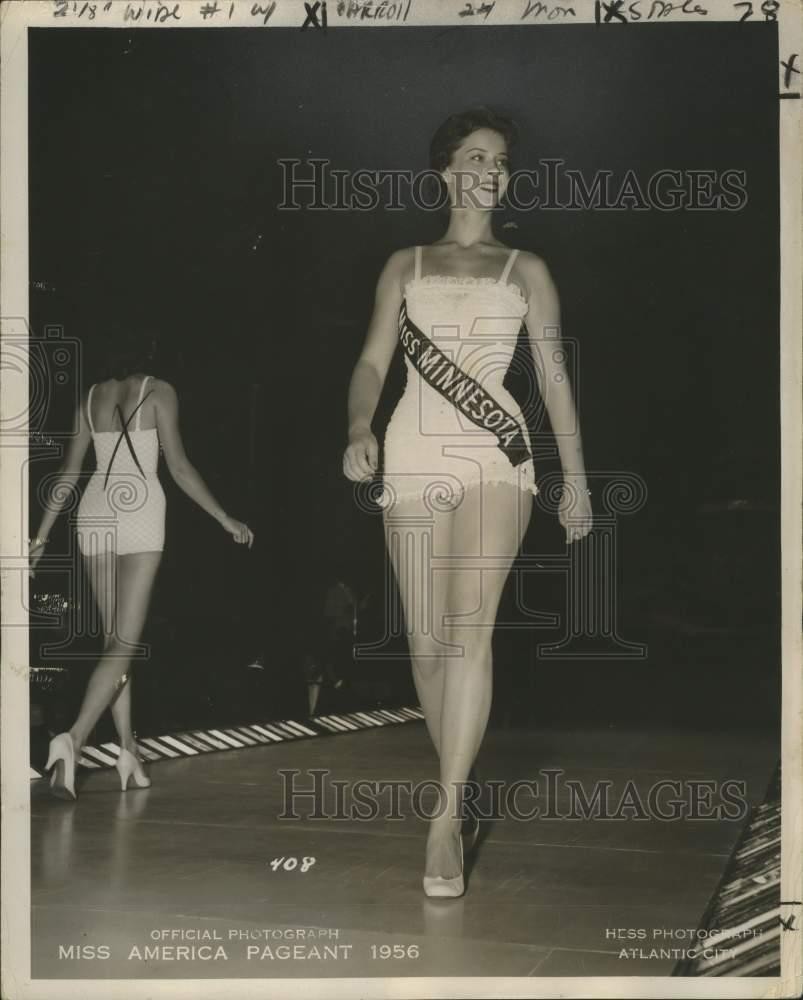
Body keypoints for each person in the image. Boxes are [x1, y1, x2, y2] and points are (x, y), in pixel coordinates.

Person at [342, 108, 593, 897]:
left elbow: (552, 379)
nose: (491, 169)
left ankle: (445, 817)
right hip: (413, 452)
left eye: (501, 160)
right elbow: (372, 362)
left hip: (495, 457)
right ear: (446, 170)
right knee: (425, 648)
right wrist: (358, 425)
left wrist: (574, 478)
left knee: (468, 633)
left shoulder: (525, 268)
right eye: (476, 157)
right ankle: (461, 774)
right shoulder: (405, 263)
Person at [28, 334, 254, 799]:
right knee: (124, 643)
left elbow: (69, 474)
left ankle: (128, 750)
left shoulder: (89, 398)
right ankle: (74, 739)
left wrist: (41, 538)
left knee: (114, 643)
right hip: (140, 511)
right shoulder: (159, 391)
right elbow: (180, 468)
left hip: (94, 509)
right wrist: (224, 518)